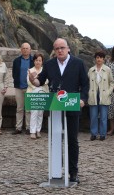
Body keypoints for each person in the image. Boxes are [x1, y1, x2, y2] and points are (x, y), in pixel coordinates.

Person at [28, 38, 89, 183]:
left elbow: (85, 85)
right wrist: (32, 79)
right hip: (55, 106)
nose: (60, 50)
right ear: (54, 51)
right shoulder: (49, 64)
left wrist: (83, 100)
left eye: (62, 47)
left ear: (68, 48)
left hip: (72, 105)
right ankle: (56, 171)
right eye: (57, 49)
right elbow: (39, 82)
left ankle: (73, 172)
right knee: (55, 139)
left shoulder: (78, 63)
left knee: (72, 140)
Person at [88, 50, 114, 141]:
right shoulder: (91, 70)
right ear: (95, 59)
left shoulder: (107, 69)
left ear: (104, 59)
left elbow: (112, 82)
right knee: (93, 116)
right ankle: (93, 134)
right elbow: (87, 83)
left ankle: (103, 134)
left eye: (101, 58)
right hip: (94, 94)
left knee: (103, 116)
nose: (99, 59)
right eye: (97, 57)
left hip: (104, 95)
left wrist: (108, 92)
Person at [12, 42, 34, 135]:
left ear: (30, 50)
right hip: (19, 87)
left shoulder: (33, 60)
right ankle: (18, 128)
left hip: (30, 87)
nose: (25, 50)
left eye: (27, 48)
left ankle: (28, 127)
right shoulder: (16, 61)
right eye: (23, 48)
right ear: (21, 50)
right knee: (19, 108)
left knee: (29, 109)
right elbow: (14, 74)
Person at [27, 53, 49, 139]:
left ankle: (38, 130)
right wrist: (36, 86)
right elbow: (29, 82)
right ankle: (32, 131)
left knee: (40, 112)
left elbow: (47, 81)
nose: (38, 62)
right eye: (36, 60)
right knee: (34, 112)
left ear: (42, 61)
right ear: (34, 61)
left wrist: (40, 84)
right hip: (33, 93)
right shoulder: (30, 70)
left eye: (39, 60)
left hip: (43, 92)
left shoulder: (45, 70)